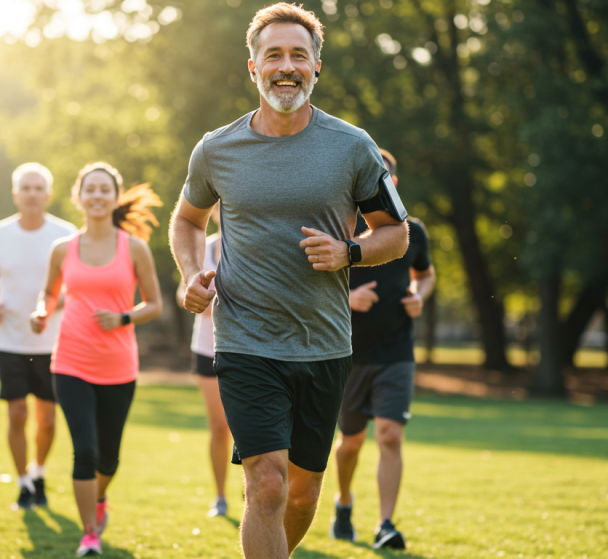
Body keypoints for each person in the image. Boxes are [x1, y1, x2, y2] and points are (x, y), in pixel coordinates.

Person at [169, 4, 410, 558]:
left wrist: (349, 251)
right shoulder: (216, 149)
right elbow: (186, 220)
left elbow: (395, 233)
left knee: (300, 494)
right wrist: (189, 275)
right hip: (245, 340)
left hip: (323, 344)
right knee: (267, 484)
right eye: (272, 54)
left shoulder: (352, 146)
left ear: (316, 67)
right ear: (252, 67)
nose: (286, 66)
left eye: (298, 55)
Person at [30, 162, 162, 556]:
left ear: (115, 197)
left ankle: (99, 497)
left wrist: (123, 317)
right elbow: (49, 293)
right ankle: (89, 534)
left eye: (105, 189)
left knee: (108, 458)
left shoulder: (134, 248)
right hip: (70, 362)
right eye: (90, 189)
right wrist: (41, 311)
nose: (97, 196)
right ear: (79, 196)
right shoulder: (62, 249)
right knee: (84, 450)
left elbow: (154, 304)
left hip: (118, 366)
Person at [329, 151, 435, 549]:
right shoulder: (341, 228)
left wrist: (419, 295)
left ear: (393, 184)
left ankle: (385, 525)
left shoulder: (412, 232)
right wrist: (348, 299)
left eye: (383, 178)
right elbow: (310, 283)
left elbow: (426, 274)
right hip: (348, 353)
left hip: (397, 352)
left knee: (390, 435)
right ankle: (343, 503)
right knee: (351, 442)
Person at [0, 163, 77, 510]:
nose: (32, 194)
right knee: (17, 413)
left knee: (46, 419)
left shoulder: (66, 234)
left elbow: (77, 286)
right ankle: (22, 483)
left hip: (53, 341)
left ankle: (39, 473)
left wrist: (51, 306)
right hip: (9, 339)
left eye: (38, 188)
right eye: (26, 188)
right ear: (15, 194)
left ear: (48, 195)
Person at [174, 203, 232, 518]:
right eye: (220, 206)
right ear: (214, 213)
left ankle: (255, 488)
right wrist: (194, 296)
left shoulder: (256, 250)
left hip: (249, 349)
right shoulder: (203, 249)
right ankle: (220, 497)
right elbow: (181, 292)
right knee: (219, 428)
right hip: (208, 349)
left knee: (248, 430)